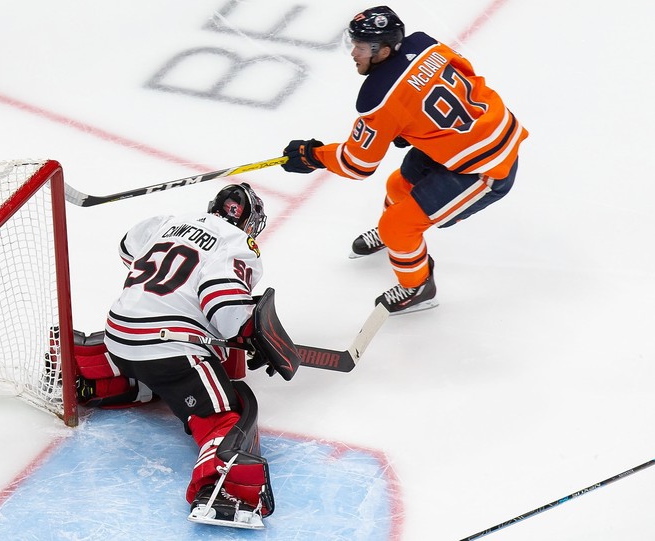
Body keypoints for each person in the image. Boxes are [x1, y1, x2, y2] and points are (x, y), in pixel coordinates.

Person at [281, 5, 528, 315]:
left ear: (384, 51)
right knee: (399, 185)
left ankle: (418, 288)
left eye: (361, 47)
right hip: (482, 131)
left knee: (397, 225)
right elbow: (466, 72)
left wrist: (312, 156)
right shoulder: (424, 44)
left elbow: (357, 164)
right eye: (353, 43)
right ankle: (395, 240)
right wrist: (415, 122)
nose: (353, 53)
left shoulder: (379, 96)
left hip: (485, 168)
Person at [93, 182, 297, 529]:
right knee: (226, 412)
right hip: (168, 348)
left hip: (117, 335)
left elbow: (128, 248)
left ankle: (92, 377)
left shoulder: (171, 220)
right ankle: (222, 489)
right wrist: (252, 333)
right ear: (249, 223)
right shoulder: (237, 244)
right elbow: (228, 312)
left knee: (153, 369)